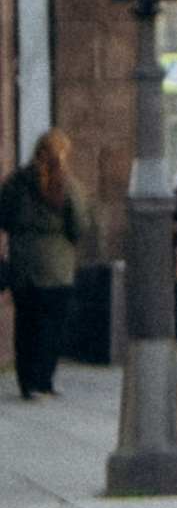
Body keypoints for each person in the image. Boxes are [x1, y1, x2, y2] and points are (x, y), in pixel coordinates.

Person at [1, 128, 90, 398]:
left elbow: (2, 216)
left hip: (23, 264)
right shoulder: (67, 186)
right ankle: (43, 380)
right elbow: (79, 224)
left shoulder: (15, 182)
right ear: (62, 155)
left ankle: (26, 381)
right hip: (56, 266)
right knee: (52, 325)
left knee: (25, 323)